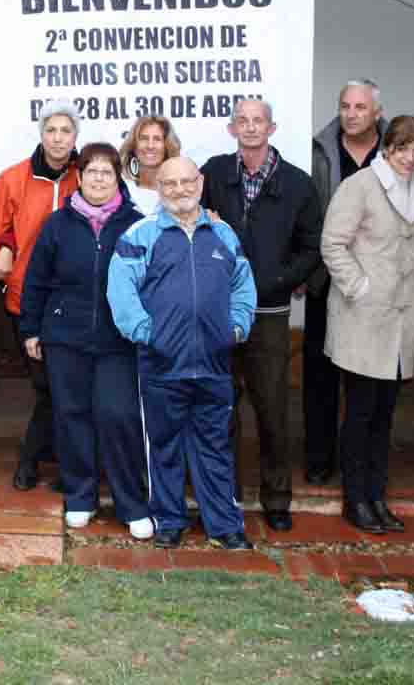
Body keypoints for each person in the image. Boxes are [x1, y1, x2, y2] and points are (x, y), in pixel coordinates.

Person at [108, 156, 257, 550]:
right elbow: (120, 290)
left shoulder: (223, 235)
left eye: (187, 182)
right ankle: (170, 521)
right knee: (164, 446)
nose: (180, 190)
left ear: (200, 182)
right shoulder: (140, 235)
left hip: (213, 363)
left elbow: (243, 284)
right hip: (161, 364)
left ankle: (224, 526)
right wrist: (145, 333)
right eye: (170, 184)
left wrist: (237, 326)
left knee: (215, 447)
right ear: (159, 187)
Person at [201, 99, 322, 532]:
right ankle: (224, 494)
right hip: (217, 310)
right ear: (232, 128)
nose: (251, 128)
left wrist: (279, 280)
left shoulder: (298, 184)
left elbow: (313, 247)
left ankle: (276, 498)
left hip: (269, 312)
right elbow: (189, 220)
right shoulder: (213, 173)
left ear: (273, 127)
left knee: (272, 409)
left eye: (259, 121)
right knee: (220, 407)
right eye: (243, 121)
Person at [20, 141, 151, 538]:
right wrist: (31, 328)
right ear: (79, 177)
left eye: (106, 172)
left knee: (118, 416)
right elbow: (37, 279)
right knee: (71, 416)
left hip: (117, 340)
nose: (98, 179)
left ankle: (131, 504)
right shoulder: (58, 223)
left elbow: (152, 280)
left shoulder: (136, 223)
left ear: (118, 178)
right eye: (91, 172)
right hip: (65, 338)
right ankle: (81, 497)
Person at [320, 115, 414, 534]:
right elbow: (332, 242)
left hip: (400, 320)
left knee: (385, 416)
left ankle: (377, 497)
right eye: (402, 148)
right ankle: (356, 499)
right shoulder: (360, 186)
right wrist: (359, 286)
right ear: (387, 148)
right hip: (363, 319)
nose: (410, 157)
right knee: (361, 413)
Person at [0, 99, 83, 491]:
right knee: (45, 385)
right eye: (51, 131)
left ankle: (36, 460)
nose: (58, 139)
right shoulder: (13, 178)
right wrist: (3, 259)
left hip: (73, 301)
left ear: (76, 137)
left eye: (65, 131)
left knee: (62, 386)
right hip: (26, 300)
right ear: (40, 134)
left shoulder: (85, 175)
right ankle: (37, 458)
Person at [304, 79, 387, 486]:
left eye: (360, 107)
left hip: (378, 283)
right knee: (320, 374)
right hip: (326, 278)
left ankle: (363, 465)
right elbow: (307, 212)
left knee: (369, 380)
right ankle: (319, 459)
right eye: (345, 106)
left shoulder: (395, 152)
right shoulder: (318, 150)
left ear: (377, 112)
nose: (351, 114)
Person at [118, 114, 180, 215]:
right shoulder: (119, 193)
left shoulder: (182, 193)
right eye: (144, 138)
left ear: (167, 146)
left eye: (157, 139)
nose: (150, 145)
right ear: (134, 146)